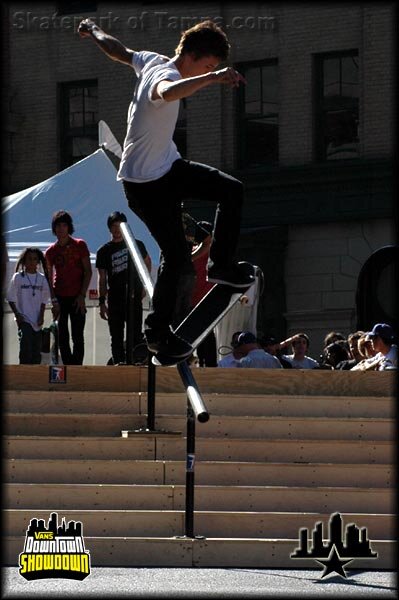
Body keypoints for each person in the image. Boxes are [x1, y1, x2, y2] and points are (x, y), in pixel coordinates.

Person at [78, 18, 255, 362]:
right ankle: (157, 334)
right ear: (191, 56)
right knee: (176, 258)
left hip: (168, 169)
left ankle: (220, 266)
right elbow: (168, 92)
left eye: (212, 68)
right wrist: (213, 79)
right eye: (206, 65)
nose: (208, 70)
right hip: (146, 186)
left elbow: (121, 52)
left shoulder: (151, 60)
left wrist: (94, 31)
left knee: (231, 189)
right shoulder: (166, 76)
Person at [96, 211, 151, 365]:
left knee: (134, 333)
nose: (116, 230)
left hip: (133, 296)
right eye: (113, 226)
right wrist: (102, 302)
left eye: (119, 226)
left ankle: (134, 362)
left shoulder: (137, 244)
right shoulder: (104, 250)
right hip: (114, 298)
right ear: (109, 228)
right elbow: (102, 278)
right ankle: (119, 362)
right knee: (116, 335)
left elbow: (147, 262)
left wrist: (143, 286)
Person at [45, 210, 92, 365]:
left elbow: (88, 272)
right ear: (54, 228)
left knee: (78, 336)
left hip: (77, 296)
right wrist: (53, 300)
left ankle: (77, 368)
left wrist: (82, 296)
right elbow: (48, 278)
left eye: (64, 225)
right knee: (62, 336)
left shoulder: (80, 245)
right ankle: (67, 367)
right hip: (60, 297)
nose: (61, 229)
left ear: (69, 227)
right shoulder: (50, 251)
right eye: (58, 225)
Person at [7, 247, 51, 364]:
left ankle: (35, 376)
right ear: (24, 261)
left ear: (38, 262)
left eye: (35, 259)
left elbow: (44, 299)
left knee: (36, 350)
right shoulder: (18, 277)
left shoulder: (41, 279)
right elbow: (10, 297)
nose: (32, 262)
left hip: (37, 320)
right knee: (26, 348)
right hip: (24, 319)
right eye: (29, 259)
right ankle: (23, 375)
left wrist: (41, 315)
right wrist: (17, 314)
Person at [188, 219, 217, 367]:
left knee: (202, 332)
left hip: (201, 296)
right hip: (201, 297)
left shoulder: (194, 251)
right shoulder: (212, 250)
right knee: (204, 332)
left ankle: (207, 362)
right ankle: (207, 363)